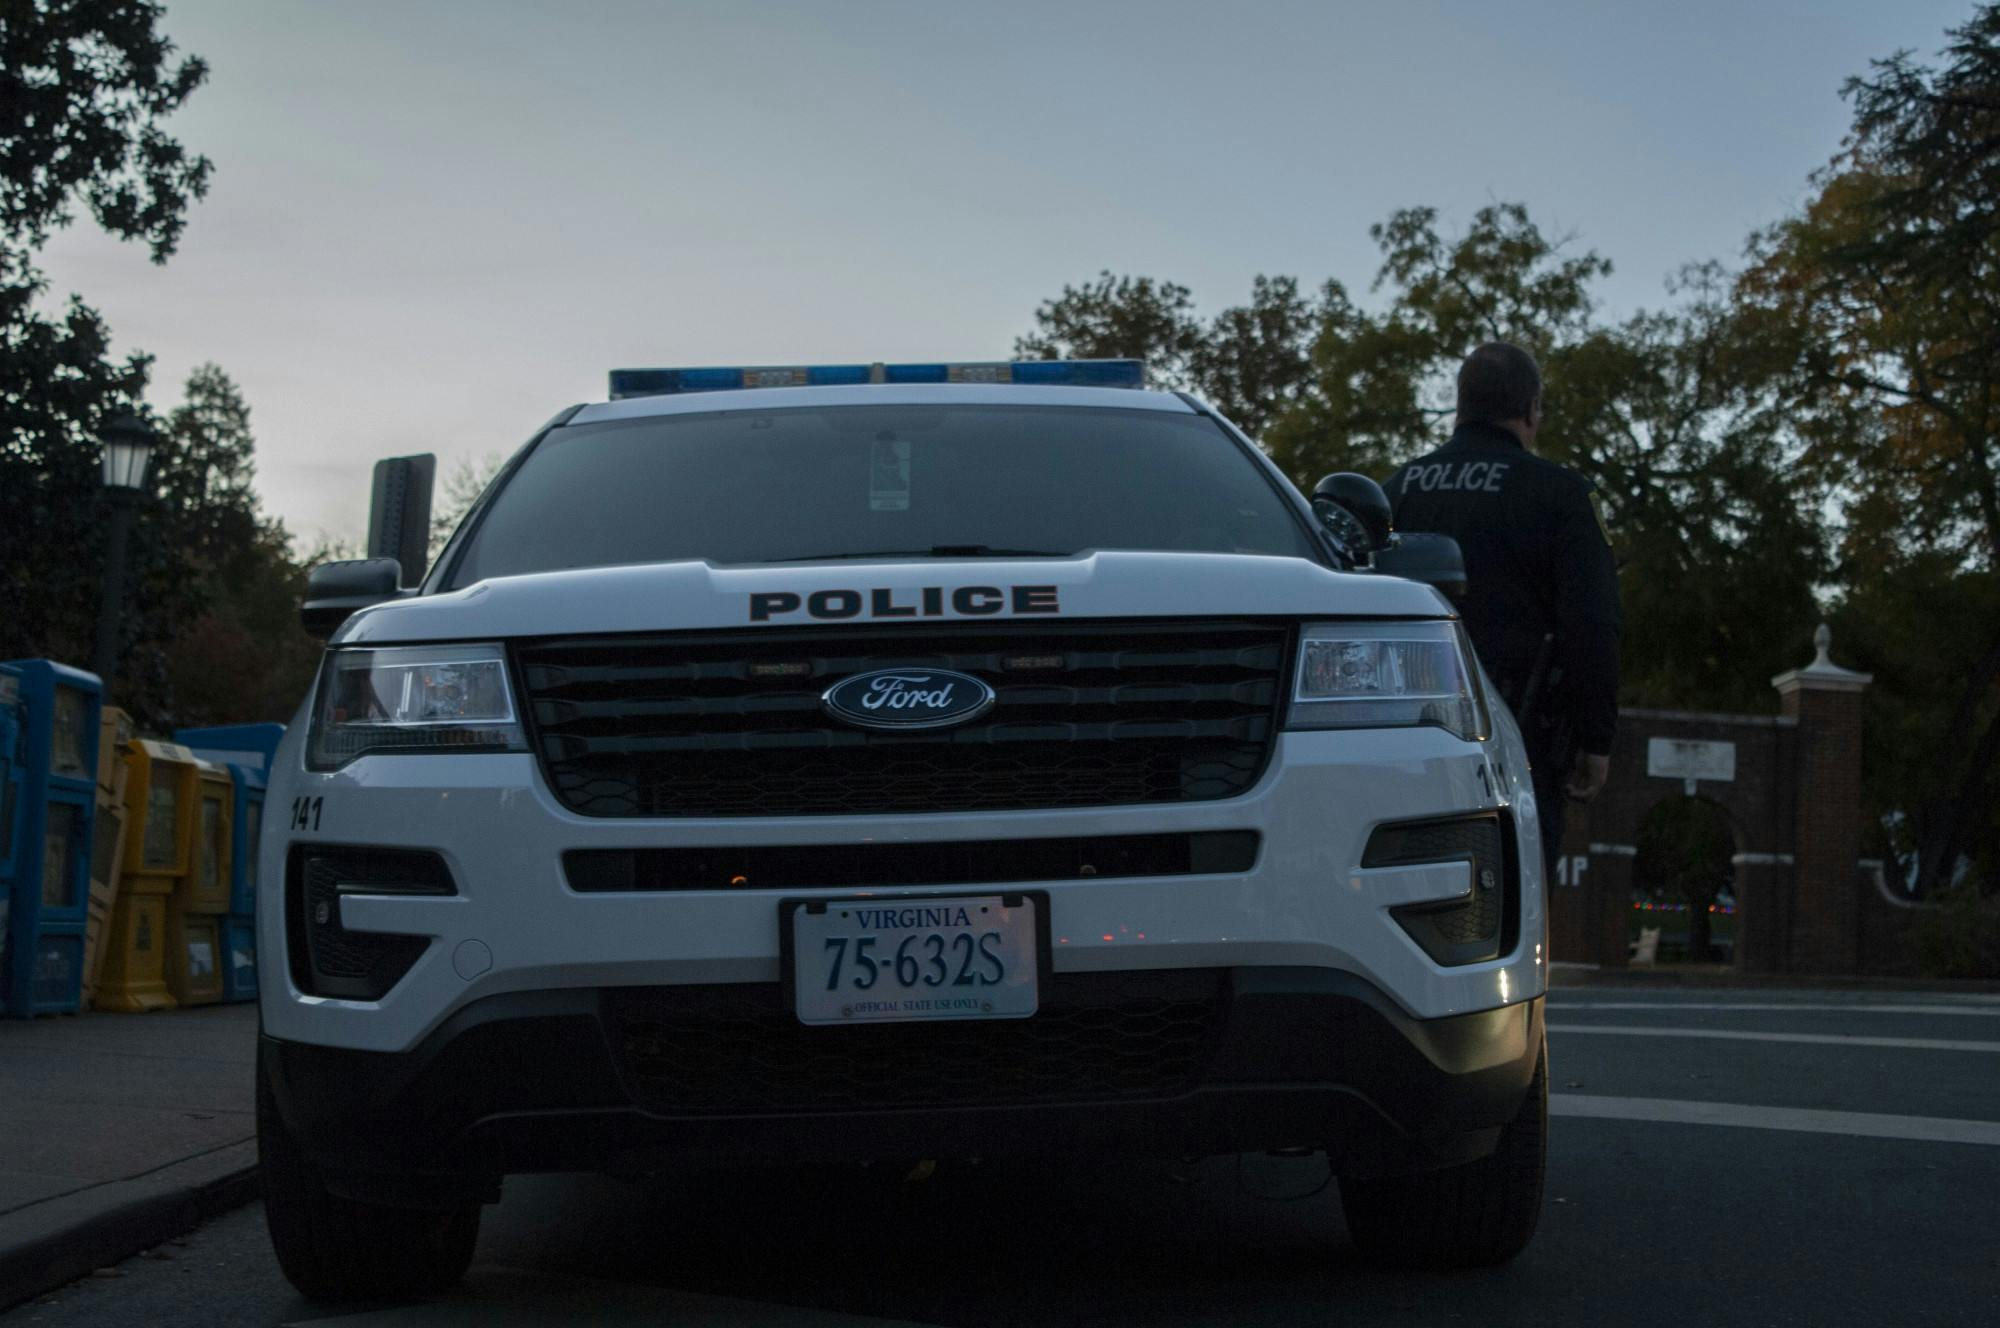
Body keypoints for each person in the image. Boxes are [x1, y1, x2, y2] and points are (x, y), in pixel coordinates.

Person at [1383, 342, 1621, 881]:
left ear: (1461, 405)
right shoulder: (1561, 495)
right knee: (1516, 895)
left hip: (1401, 741)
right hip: (1520, 738)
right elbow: (1593, 622)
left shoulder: (1395, 490)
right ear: (1533, 408)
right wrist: (1594, 738)